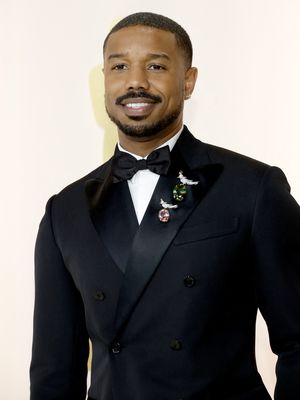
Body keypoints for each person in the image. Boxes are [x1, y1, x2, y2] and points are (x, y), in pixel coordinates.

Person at [30, 11, 300, 400]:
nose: (135, 82)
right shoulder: (64, 211)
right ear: (104, 81)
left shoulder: (252, 188)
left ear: (188, 81)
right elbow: (55, 370)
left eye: (156, 66)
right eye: (119, 66)